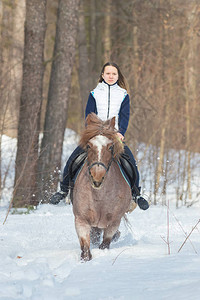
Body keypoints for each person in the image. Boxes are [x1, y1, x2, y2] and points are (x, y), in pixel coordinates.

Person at [50, 62, 149, 210]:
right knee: (74, 158)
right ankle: (63, 190)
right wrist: (91, 131)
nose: (111, 76)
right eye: (108, 73)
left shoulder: (123, 95)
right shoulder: (94, 93)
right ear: (102, 75)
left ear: (118, 76)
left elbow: (124, 116)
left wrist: (120, 132)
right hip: (95, 133)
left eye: (114, 74)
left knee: (130, 160)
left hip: (114, 135)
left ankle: (136, 193)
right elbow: (89, 114)